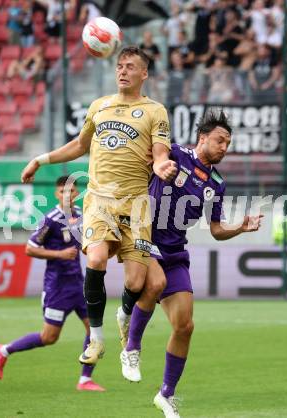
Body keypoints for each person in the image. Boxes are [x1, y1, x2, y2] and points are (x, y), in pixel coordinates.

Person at [20, 46, 177, 368]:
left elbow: (161, 151)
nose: (123, 71)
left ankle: (123, 312)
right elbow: (80, 145)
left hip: (137, 206)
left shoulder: (155, 110)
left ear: (144, 74)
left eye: (130, 66)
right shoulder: (99, 106)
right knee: (96, 257)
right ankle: (97, 338)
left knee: (135, 282)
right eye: (120, 65)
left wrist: (161, 165)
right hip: (99, 201)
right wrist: (41, 159)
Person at [117, 111, 263, 417]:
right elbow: (147, 160)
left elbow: (217, 230)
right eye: (220, 140)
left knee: (185, 326)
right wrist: (157, 167)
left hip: (175, 251)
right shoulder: (174, 153)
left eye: (228, 143)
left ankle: (166, 395)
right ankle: (131, 347)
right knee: (154, 283)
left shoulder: (217, 184)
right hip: (145, 236)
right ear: (203, 138)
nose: (224, 147)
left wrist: (240, 226)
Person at [0, 176, 104, 391]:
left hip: (79, 284)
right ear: (56, 194)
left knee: (94, 328)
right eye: (63, 192)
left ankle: (85, 380)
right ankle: (3, 351)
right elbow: (30, 248)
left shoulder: (80, 215)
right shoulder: (50, 219)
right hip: (57, 287)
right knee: (49, 337)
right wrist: (59, 254)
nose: (67, 196)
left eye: (71, 192)